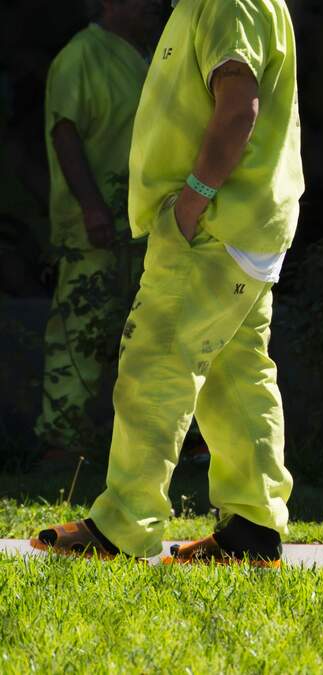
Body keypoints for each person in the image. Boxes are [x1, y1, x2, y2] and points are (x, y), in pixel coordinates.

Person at [33, 0, 304, 567]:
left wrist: (190, 203)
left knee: (154, 363)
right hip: (243, 224)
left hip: (210, 227)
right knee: (237, 375)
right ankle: (253, 532)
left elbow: (238, 109)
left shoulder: (225, 3)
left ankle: (122, 528)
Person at [34, 0, 161, 454]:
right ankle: (61, 439)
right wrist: (92, 207)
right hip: (95, 227)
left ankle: (147, 443)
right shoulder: (79, 56)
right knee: (81, 330)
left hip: (146, 223)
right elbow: (64, 133)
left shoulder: (152, 54)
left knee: (150, 334)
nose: (154, 5)